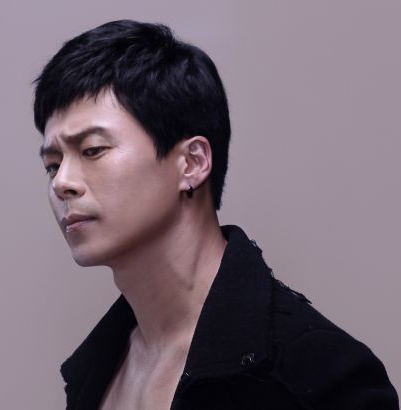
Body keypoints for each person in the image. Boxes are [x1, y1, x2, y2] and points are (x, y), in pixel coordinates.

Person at [33, 20, 399, 410]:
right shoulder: (98, 367)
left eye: (92, 150)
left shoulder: (320, 375)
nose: (62, 183)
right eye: (52, 165)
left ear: (192, 163)